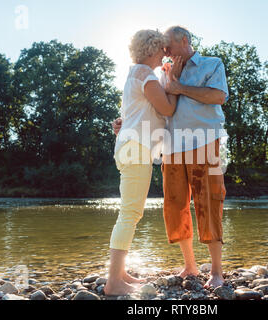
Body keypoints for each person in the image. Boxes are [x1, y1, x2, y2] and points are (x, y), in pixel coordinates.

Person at [113, 26, 229, 289]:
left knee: (208, 202)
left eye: (169, 46)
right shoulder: (163, 72)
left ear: (185, 41)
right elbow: (156, 107)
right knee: (175, 206)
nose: (165, 52)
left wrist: (179, 87)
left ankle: (217, 271)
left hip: (204, 142)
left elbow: (218, 96)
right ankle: (190, 265)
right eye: (163, 48)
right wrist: (127, 124)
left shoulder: (212, 64)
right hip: (172, 147)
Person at [104, 29, 183, 296]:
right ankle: (113, 281)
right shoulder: (147, 76)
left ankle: (120, 272)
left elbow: (134, 114)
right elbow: (168, 109)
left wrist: (120, 124)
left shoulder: (133, 74)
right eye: (162, 49)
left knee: (129, 212)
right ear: (152, 50)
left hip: (129, 147)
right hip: (136, 149)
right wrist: (172, 79)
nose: (165, 54)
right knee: (130, 214)